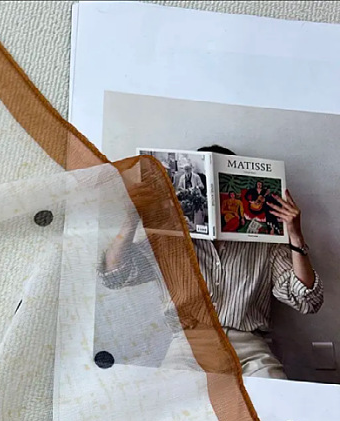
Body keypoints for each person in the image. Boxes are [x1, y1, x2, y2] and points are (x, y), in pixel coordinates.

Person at [102, 145, 324, 379]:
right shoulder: (168, 240)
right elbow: (114, 275)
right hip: (188, 347)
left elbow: (308, 300)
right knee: (170, 395)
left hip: (249, 349)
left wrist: (295, 235)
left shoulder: (264, 241)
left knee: (276, 396)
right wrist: (130, 218)